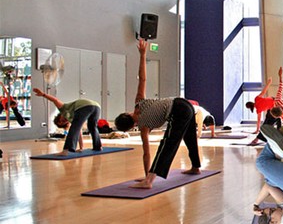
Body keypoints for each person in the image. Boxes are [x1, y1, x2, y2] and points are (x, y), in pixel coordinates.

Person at [114, 39, 201, 189]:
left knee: (167, 144)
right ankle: (195, 167)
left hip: (178, 110)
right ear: (126, 114)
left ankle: (149, 181)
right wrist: (142, 54)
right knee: (189, 137)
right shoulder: (138, 103)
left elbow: (146, 153)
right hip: (184, 103)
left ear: (131, 127)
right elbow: (142, 78)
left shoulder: (143, 127)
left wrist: (146, 175)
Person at [32, 88, 102, 155]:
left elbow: (55, 100)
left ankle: (67, 150)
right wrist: (81, 148)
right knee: (92, 127)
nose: (63, 121)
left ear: (60, 115)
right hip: (96, 107)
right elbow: (79, 133)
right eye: (62, 123)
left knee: (75, 128)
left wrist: (43, 94)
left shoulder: (63, 108)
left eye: (60, 120)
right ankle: (98, 147)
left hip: (85, 106)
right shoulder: (72, 119)